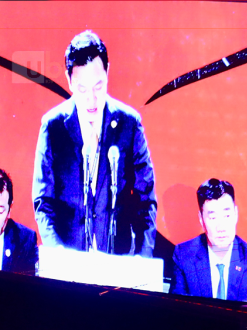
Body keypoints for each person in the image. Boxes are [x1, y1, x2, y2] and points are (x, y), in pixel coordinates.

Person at [32, 30, 157, 257]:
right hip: (67, 263)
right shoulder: (53, 127)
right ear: (69, 80)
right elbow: (43, 202)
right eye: (82, 89)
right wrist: (59, 256)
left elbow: (145, 202)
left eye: (98, 87)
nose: (91, 99)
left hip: (117, 261)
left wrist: (142, 258)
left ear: (108, 72)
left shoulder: (129, 124)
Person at [170, 178, 247, 303]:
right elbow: (176, 310)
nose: (221, 228)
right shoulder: (183, 255)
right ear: (201, 219)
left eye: (227, 216)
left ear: (236, 214)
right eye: (213, 217)